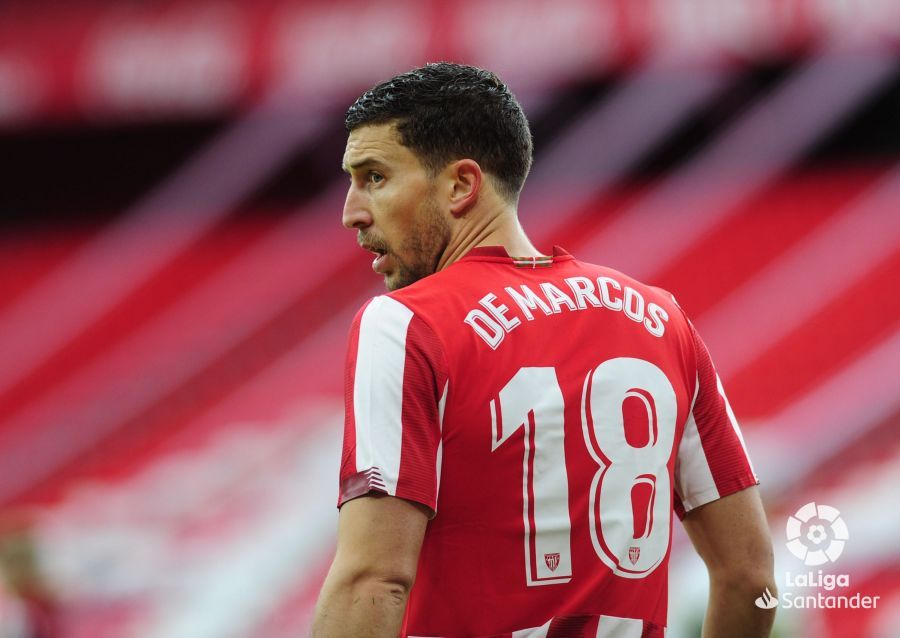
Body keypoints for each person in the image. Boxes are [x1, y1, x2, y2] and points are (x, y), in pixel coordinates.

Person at [312, 62, 776, 637]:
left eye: (375, 177)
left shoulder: (407, 323)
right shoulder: (661, 318)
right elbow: (751, 577)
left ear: (461, 185)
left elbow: (373, 579)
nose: (351, 212)